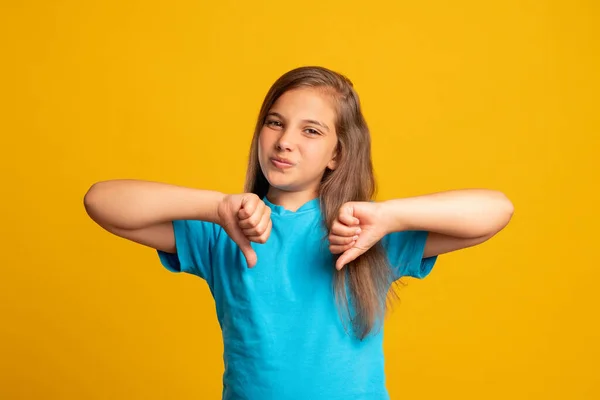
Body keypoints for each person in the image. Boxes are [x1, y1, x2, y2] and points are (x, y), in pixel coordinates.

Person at [84, 66, 514, 400]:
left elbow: (496, 210)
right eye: (275, 123)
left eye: (310, 131)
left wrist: (390, 215)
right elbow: (101, 201)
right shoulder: (227, 232)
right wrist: (215, 207)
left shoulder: (365, 233)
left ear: (336, 154)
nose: (285, 141)